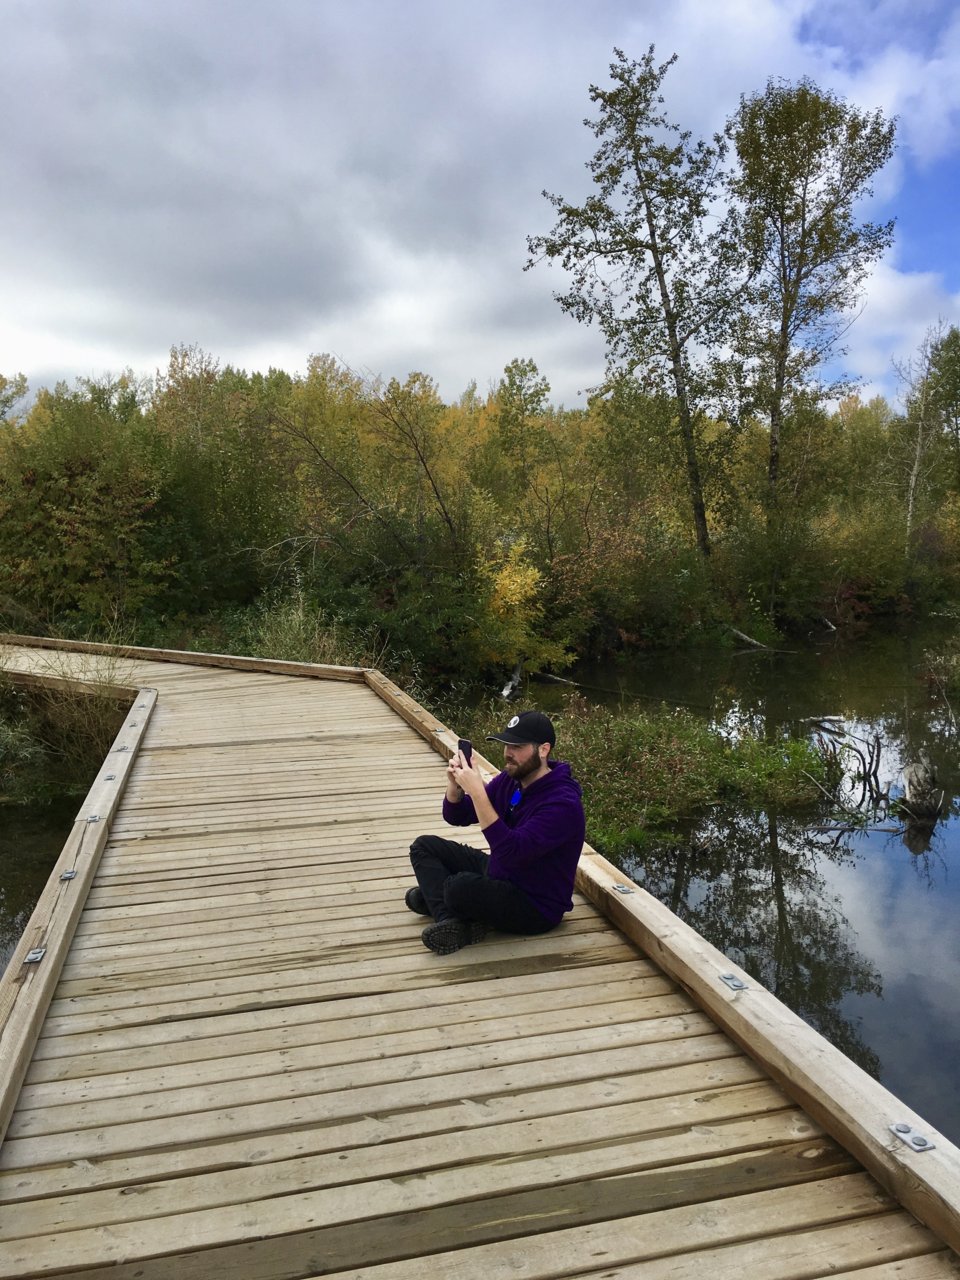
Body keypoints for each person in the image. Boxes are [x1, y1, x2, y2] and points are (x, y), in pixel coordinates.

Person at [407, 710, 585, 955]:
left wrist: (477, 792)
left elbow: (512, 852)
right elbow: (457, 816)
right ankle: (450, 919)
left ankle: (445, 905)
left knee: (457, 887)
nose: (508, 753)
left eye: (517, 746)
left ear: (543, 750)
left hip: (535, 904)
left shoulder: (562, 804)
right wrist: (455, 786)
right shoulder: (512, 779)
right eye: (506, 744)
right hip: (502, 872)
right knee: (424, 846)